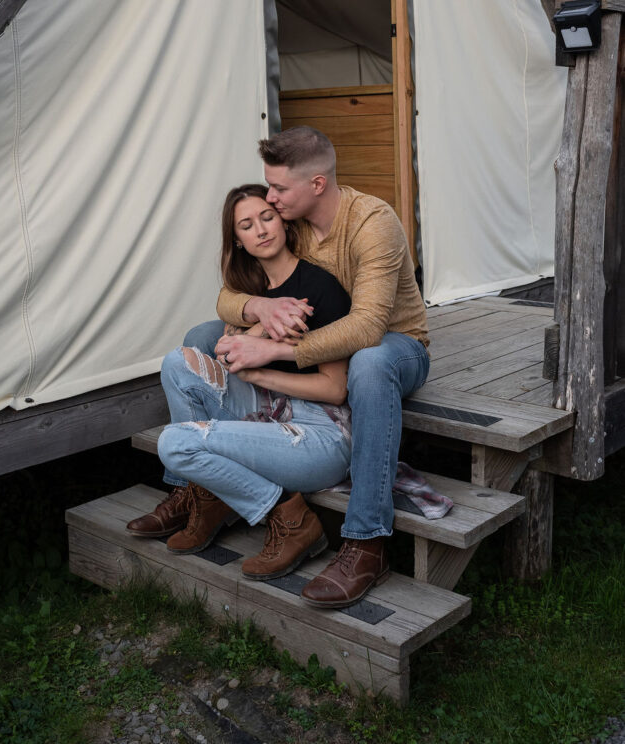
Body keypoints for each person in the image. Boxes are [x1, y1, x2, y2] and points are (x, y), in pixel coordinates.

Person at [208, 126, 430, 607]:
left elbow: (369, 327)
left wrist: (270, 351)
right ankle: (206, 487)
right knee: (201, 338)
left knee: (368, 365)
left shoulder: (372, 222)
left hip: (397, 347)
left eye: (279, 189)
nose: (270, 198)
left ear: (317, 185)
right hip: (322, 344)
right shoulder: (296, 225)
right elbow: (228, 295)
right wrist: (258, 311)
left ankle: (367, 542)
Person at [127, 183, 353, 582]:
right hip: (271, 411)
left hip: (321, 435)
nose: (261, 230)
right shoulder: (251, 293)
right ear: (238, 240)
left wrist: (262, 370)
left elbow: (336, 389)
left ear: (283, 222)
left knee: (174, 443)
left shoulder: (319, 287)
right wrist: (261, 329)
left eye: (267, 217)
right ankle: (210, 498)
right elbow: (231, 331)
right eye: (247, 225)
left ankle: (291, 518)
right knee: (177, 364)